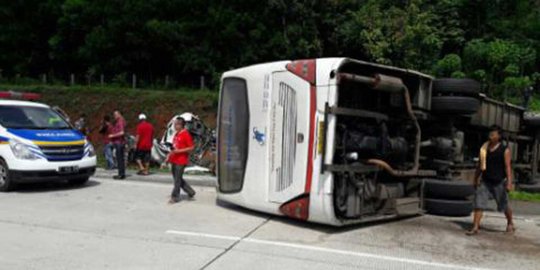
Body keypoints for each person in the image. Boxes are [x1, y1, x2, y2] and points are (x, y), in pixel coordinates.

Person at [467, 125, 515, 235]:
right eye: (490, 134)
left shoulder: (504, 150)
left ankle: (510, 223)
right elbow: (480, 165)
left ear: (499, 136)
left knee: (504, 205)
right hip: (485, 181)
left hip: (499, 182)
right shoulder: (484, 149)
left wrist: (509, 182)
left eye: (493, 134)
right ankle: (475, 227)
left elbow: (508, 167)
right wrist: (475, 178)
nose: (491, 136)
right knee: (479, 203)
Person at [167, 117, 196, 204]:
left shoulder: (185, 134)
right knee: (177, 178)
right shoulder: (177, 134)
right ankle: (190, 191)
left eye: (176, 124)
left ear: (181, 125)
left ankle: (175, 196)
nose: (175, 126)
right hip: (174, 159)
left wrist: (179, 151)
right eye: (175, 124)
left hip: (181, 160)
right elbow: (174, 147)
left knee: (177, 180)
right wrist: (169, 156)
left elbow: (191, 147)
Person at [108, 110, 127, 180]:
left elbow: (122, 132)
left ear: (119, 114)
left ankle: (121, 174)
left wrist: (112, 135)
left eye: (115, 115)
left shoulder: (120, 121)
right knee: (120, 159)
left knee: (119, 159)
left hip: (119, 142)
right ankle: (122, 173)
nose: (114, 116)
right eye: (114, 115)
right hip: (120, 142)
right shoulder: (121, 121)